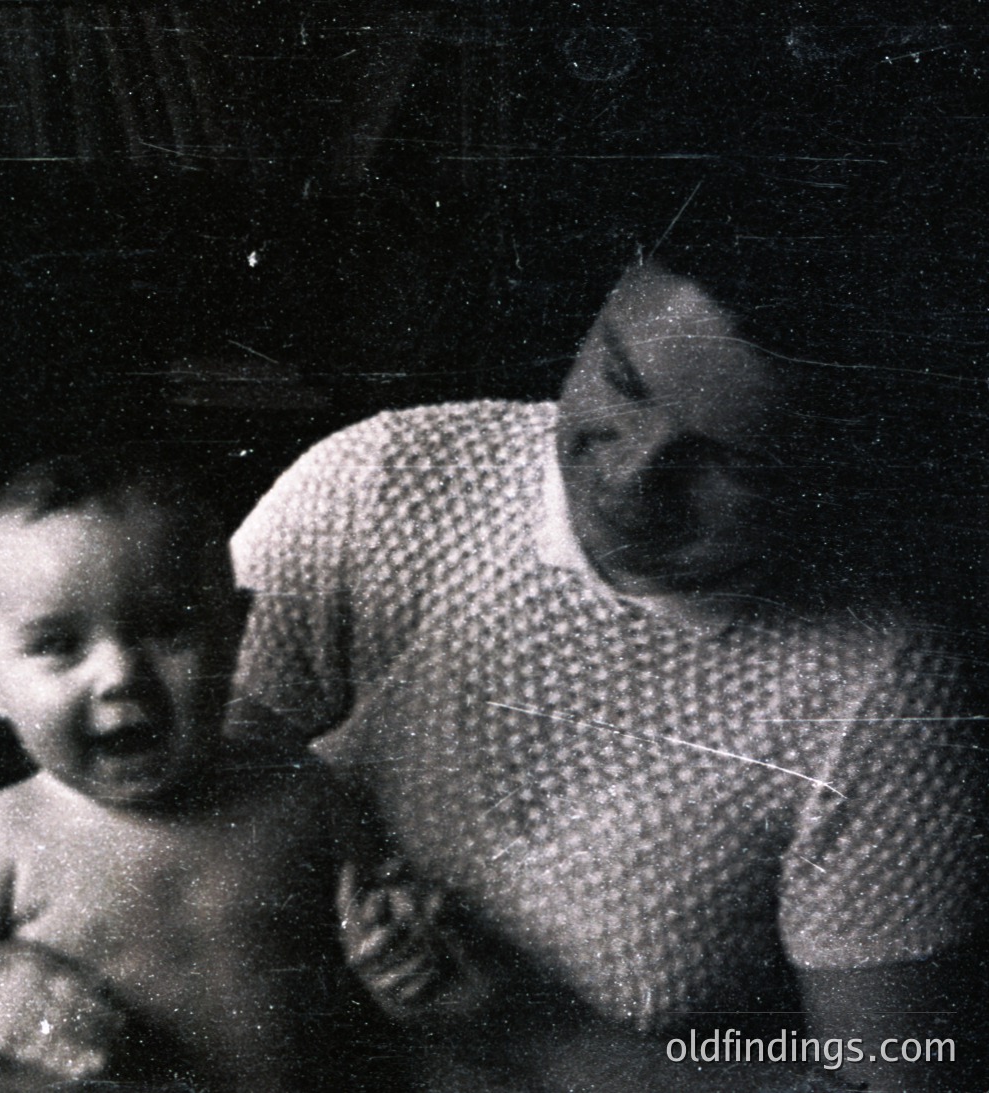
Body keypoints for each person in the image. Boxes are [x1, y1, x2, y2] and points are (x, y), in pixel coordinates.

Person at [230, 186, 988, 1091]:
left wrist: (543, 1038)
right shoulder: (383, 478)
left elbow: (895, 1077)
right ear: (597, 313)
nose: (635, 474)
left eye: (725, 461)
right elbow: (118, 806)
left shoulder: (886, 687)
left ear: (828, 475)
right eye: (621, 383)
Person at [0, 455, 466, 1093]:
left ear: (235, 634)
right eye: (58, 644)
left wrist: (397, 960)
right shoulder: (5, 838)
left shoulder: (302, 795)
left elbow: (386, 983)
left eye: (167, 628)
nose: (120, 676)